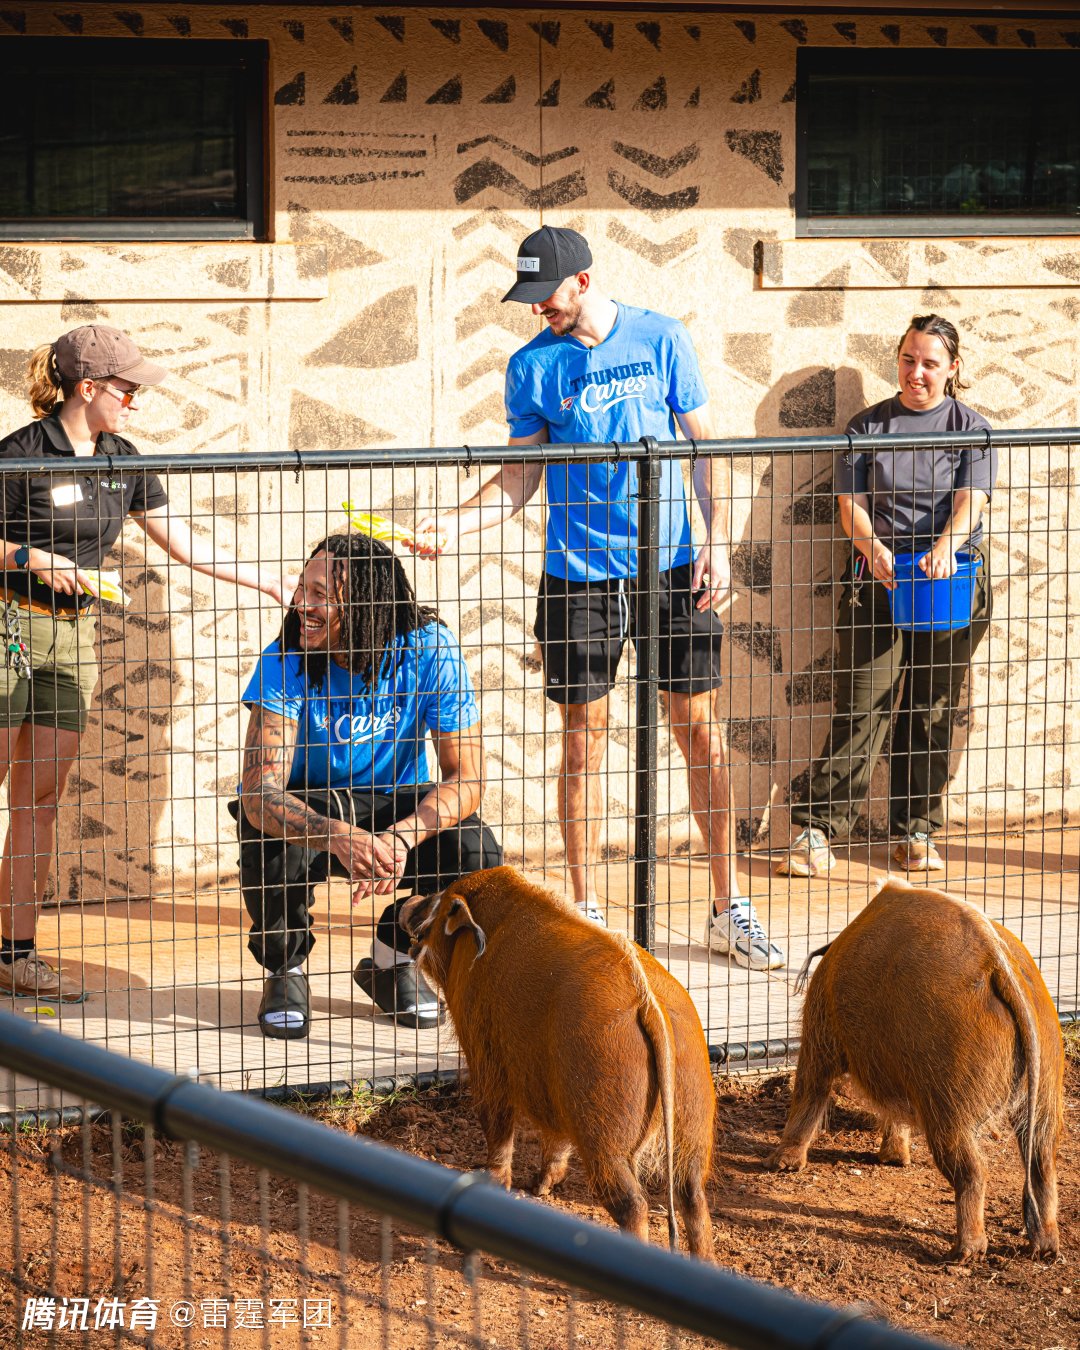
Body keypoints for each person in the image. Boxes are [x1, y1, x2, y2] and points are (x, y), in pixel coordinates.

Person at [412, 226, 783, 970]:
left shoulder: (661, 337)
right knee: (582, 739)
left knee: (698, 732)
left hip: (671, 569)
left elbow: (705, 448)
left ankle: (727, 907)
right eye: (527, 298)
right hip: (578, 577)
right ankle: (585, 911)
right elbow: (520, 477)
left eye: (543, 295)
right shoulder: (532, 367)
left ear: (582, 280)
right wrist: (455, 522)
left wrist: (717, 541)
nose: (535, 310)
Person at [0, 324, 292, 1004]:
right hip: (8, 625)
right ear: (88, 387)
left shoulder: (123, 459)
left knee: (39, 803)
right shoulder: (19, 453)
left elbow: (183, 543)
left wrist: (269, 580)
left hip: (72, 637)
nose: (136, 401)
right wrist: (29, 557)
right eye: (128, 390)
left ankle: (14, 955)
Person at [236, 531, 502, 1039]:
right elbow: (258, 791)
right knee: (266, 829)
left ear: (364, 605)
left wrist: (403, 836)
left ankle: (392, 957)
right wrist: (336, 834)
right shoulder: (284, 658)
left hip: (394, 807)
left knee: (477, 850)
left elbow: (467, 776)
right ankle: (286, 969)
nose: (301, 604)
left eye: (320, 595)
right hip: (319, 808)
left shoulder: (431, 648)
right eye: (301, 588)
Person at [778, 314, 997, 878]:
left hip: (947, 584)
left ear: (952, 369)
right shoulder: (868, 425)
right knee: (862, 706)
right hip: (878, 583)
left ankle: (915, 833)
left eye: (930, 363)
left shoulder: (970, 428)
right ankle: (816, 831)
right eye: (908, 359)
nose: (916, 372)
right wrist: (872, 549)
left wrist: (945, 547)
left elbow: (971, 500)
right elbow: (849, 505)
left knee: (931, 708)